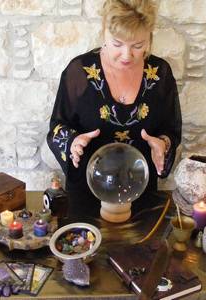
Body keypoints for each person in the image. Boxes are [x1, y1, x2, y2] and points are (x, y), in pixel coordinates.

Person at [47, 0, 182, 217]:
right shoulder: (79, 72)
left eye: (138, 45)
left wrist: (162, 145)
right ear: (104, 34)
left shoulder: (160, 74)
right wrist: (72, 142)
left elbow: (171, 131)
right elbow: (57, 127)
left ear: (150, 38)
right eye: (118, 44)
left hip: (140, 194)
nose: (127, 55)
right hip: (86, 195)